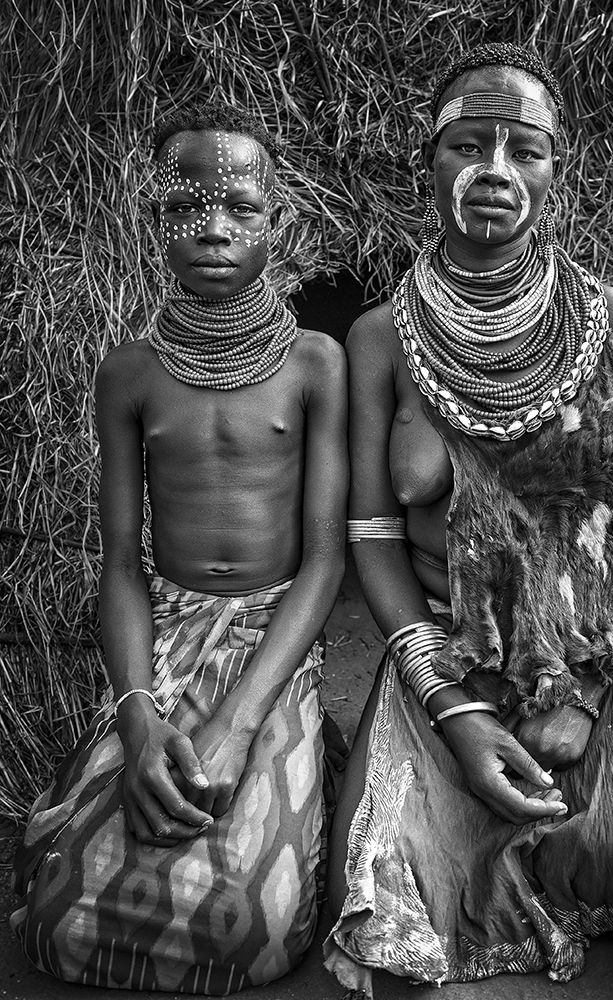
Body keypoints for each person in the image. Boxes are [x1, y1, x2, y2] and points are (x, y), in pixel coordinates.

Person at [325, 43, 613, 1000]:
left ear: (559, 171)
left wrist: (589, 684)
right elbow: (372, 541)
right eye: (467, 146)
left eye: (526, 150)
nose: (494, 172)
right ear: (426, 164)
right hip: (446, 656)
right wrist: (453, 708)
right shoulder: (381, 338)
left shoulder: (609, 316)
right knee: (383, 940)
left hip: (600, 648)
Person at [12, 101, 348, 994]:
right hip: (163, 641)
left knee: (249, 929)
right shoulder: (128, 370)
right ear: (152, 223)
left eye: (241, 207)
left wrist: (240, 722)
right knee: (63, 919)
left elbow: (324, 561)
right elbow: (121, 561)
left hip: (272, 643)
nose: (212, 228)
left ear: (277, 222)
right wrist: (135, 711)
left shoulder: (317, 363)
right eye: (183, 208)